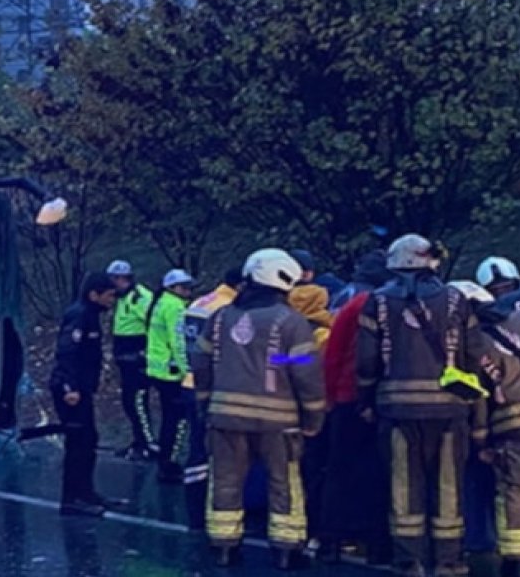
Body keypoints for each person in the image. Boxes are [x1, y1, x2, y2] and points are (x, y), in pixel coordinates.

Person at [357, 235, 491, 577]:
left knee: (403, 487)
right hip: (450, 409)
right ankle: (449, 560)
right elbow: (474, 355)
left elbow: (367, 360)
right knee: (449, 485)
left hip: (396, 411)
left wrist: (366, 399)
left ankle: (409, 560)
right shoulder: (456, 299)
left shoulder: (377, 302)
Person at [192, 249, 325, 571]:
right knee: (284, 484)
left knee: (225, 482)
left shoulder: (221, 317)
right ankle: (285, 550)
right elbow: (304, 369)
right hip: (278, 422)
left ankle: (224, 547)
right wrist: (313, 416)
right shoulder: (291, 321)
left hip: (224, 416)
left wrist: (205, 403)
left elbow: (202, 362)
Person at [450, 281, 520, 577]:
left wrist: (480, 439)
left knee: (517, 493)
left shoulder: (474, 343)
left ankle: (518, 562)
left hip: (512, 428)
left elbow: (478, 397)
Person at [314, 257, 395, 566]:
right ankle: (378, 543)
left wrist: (330, 396)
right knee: (380, 472)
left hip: (347, 398)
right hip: (385, 399)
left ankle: (330, 540)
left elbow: (332, 354)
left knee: (339, 470)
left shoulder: (351, 305)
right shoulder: (398, 304)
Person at [49, 271, 117, 516]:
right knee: (77, 443)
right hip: (70, 389)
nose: (112, 300)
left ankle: (86, 492)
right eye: (109, 295)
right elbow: (67, 352)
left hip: (83, 388)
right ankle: (71, 499)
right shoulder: (79, 316)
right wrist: (70, 388)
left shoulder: (90, 315)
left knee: (89, 440)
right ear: (94, 294)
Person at [182, 268, 245, 531]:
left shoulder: (201, 302)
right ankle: (213, 514)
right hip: (215, 385)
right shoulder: (229, 309)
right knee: (218, 452)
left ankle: (194, 511)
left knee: (196, 451)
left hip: (190, 382)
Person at [145, 268, 195, 484]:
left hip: (158, 369)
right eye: (184, 287)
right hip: (171, 371)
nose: (188, 291)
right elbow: (178, 341)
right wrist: (187, 371)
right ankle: (170, 465)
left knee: (169, 419)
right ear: (172, 288)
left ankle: (166, 462)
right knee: (177, 420)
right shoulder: (175, 307)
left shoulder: (160, 303)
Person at [107, 260, 158, 461]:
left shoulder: (139, 297)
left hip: (137, 355)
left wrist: (145, 352)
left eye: (116, 280)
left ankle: (146, 443)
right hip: (125, 356)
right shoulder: (121, 298)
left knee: (136, 401)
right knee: (130, 401)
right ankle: (139, 441)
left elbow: (153, 324)